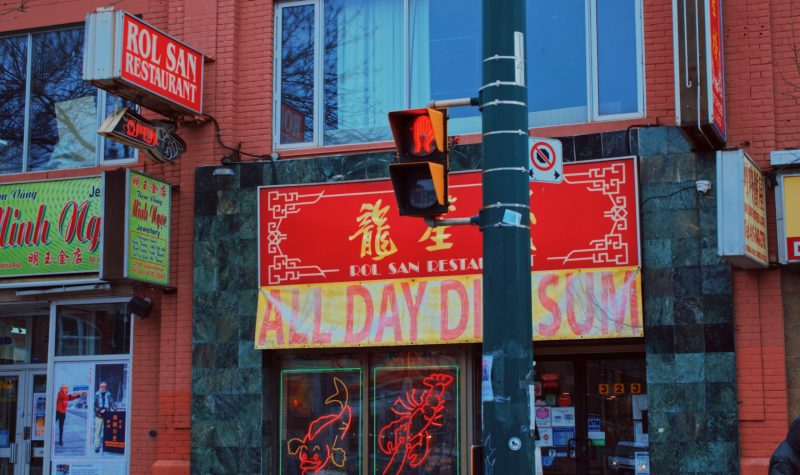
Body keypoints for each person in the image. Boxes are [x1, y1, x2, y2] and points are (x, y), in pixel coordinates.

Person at [94, 382, 115, 453]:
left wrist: (115, 409)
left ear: (106, 387)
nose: (103, 388)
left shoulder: (109, 394)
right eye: (102, 387)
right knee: (98, 432)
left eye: (104, 387)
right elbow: (94, 405)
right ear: (100, 387)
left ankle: (107, 446)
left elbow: (112, 403)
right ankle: (97, 446)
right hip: (99, 415)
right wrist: (100, 411)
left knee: (108, 431)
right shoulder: (96, 395)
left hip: (107, 415)